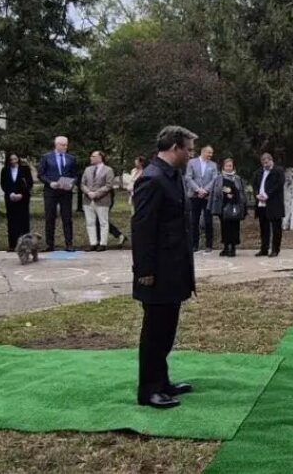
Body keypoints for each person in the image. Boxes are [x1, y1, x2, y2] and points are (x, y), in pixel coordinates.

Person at [131, 125, 197, 409]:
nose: (191, 155)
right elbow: (142, 229)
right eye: (188, 150)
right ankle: (148, 390)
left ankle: (162, 381)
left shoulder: (172, 175)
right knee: (155, 332)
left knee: (166, 329)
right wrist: (145, 271)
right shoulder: (152, 179)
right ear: (174, 148)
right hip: (156, 272)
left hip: (173, 268)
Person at [38, 136, 78, 252]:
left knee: (67, 218)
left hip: (66, 192)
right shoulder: (46, 157)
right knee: (50, 218)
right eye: (63, 145)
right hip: (51, 191)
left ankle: (69, 244)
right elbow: (41, 174)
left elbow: (75, 175)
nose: (65, 147)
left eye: (66, 145)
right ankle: (49, 244)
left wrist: (72, 183)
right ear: (56, 145)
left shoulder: (71, 158)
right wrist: (50, 183)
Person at [209, 158, 247, 257]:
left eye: (230, 166)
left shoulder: (237, 178)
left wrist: (234, 196)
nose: (228, 168)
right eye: (227, 166)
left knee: (234, 227)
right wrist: (226, 194)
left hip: (235, 206)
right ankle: (226, 247)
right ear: (223, 167)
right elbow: (215, 191)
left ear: (233, 167)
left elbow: (241, 192)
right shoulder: (218, 178)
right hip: (223, 206)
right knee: (224, 227)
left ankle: (233, 248)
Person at [186, 145, 218, 253]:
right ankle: (194, 245)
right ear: (203, 152)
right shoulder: (191, 163)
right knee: (194, 221)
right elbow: (188, 177)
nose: (210, 155)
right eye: (209, 152)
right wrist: (197, 189)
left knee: (208, 220)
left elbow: (214, 179)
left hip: (207, 196)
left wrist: (205, 190)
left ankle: (209, 245)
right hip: (194, 196)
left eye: (211, 153)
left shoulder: (213, 165)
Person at [81, 151, 115, 252]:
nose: (91, 158)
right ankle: (93, 243)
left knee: (103, 222)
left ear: (100, 157)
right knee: (90, 222)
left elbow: (109, 185)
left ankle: (103, 244)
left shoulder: (108, 170)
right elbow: (82, 184)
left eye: (93, 156)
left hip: (102, 200)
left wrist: (96, 193)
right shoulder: (87, 169)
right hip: (88, 200)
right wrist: (88, 192)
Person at [252, 153, 285, 257]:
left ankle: (275, 249)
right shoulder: (258, 172)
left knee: (276, 228)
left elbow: (279, 185)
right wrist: (257, 194)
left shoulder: (278, 171)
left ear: (271, 160)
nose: (265, 164)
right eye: (263, 162)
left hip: (274, 203)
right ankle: (264, 249)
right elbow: (255, 185)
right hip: (261, 203)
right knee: (264, 227)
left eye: (266, 162)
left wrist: (267, 195)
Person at [0, 153, 34, 252]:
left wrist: (22, 194)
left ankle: (25, 245)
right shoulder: (5, 170)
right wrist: (10, 194)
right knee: (12, 222)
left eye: (15, 159)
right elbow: (3, 184)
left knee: (24, 222)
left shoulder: (25, 169)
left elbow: (29, 183)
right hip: (10, 199)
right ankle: (12, 245)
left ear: (18, 159)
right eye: (11, 160)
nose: (13, 161)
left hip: (23, 198)